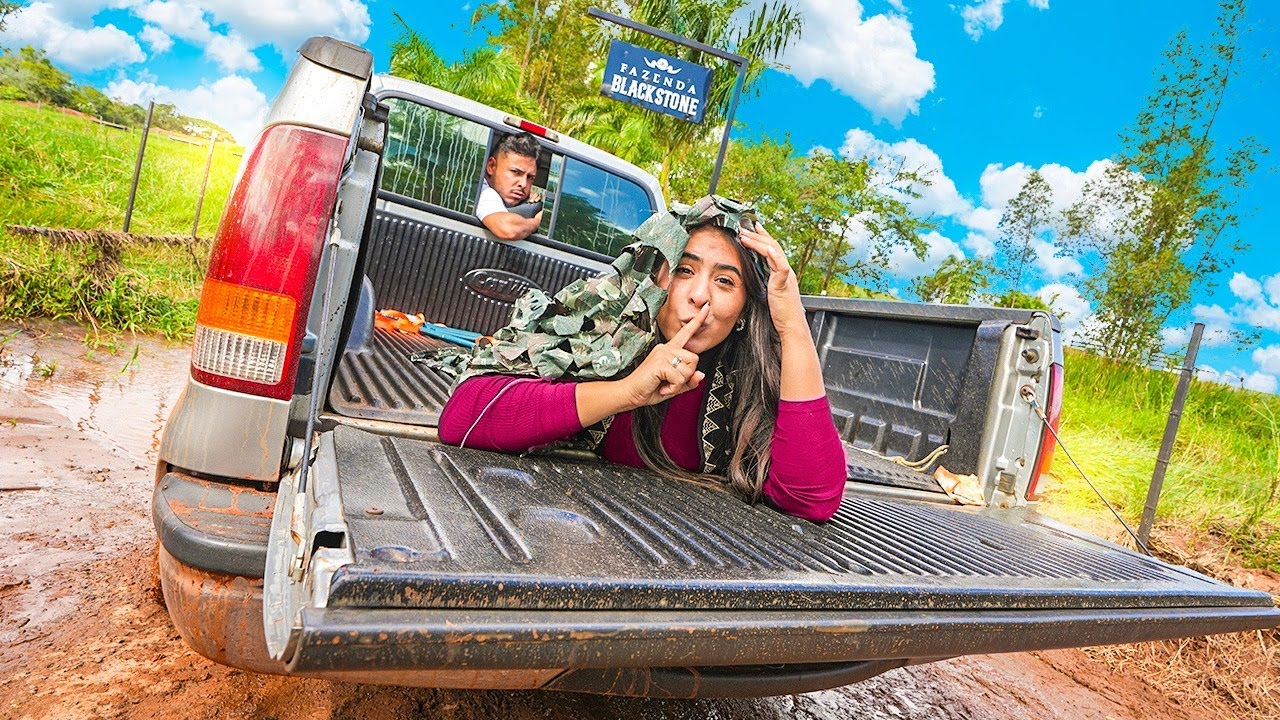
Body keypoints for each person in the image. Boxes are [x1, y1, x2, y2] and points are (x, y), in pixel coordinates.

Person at [438, 199, 846, 523]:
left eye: (725, 281)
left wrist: (792, 326)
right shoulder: (602, 334)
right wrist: (624, 392)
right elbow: (463, 418)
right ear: (651, 278)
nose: (699, 295)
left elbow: (811, 499)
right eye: (684, 270)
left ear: (743, 310)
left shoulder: (750, 379)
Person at [475, 132, 544, 242]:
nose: (524, 184)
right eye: (516, 172)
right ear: (491, 166)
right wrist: (538, 221)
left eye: (530, 177)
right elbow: (509, 229)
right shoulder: (484, 192)